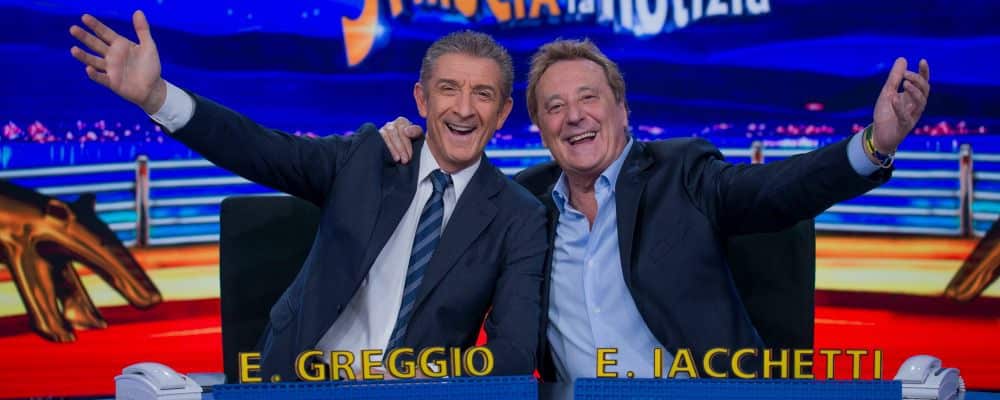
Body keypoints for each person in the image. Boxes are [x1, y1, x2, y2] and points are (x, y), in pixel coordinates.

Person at [380, 39, 930, 381]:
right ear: (542, 130)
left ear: (622, 109)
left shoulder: (682, 172)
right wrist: (407, 148)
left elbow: (778, 189)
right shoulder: (522, 206)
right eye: (555, 107)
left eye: (589, 98)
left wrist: (874, 145)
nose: (574, 116)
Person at [68, 11, 548, 381]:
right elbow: (257, 148)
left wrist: (427, 379)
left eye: (483, 94)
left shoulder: (518, 216)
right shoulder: (367, 158)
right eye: (449, 89)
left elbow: (512, 353)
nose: (464, 108)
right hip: (299, 381)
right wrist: (156, 96)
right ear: (422, 100)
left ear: (503, 112)